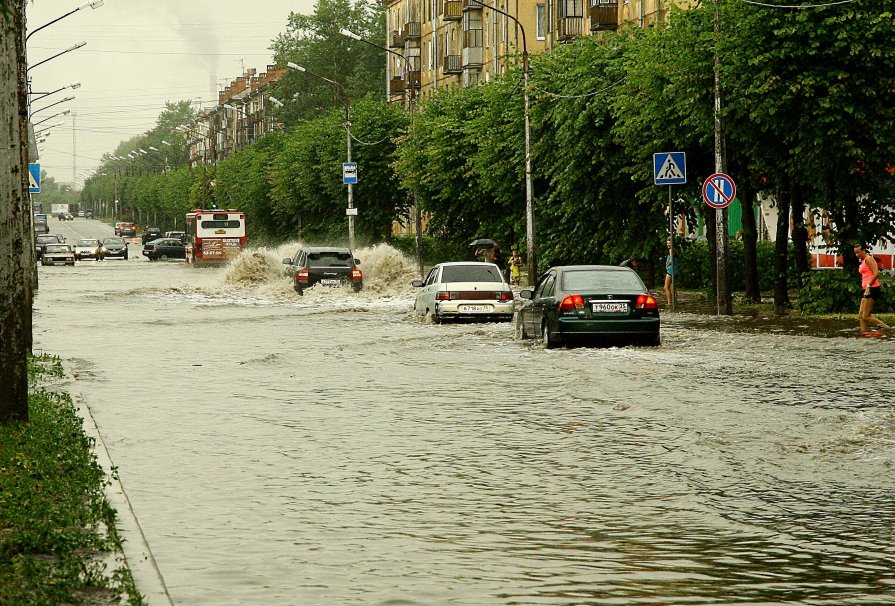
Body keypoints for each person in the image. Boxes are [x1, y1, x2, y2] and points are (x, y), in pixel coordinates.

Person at [853, 243, 890, 331]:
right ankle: (863, 333)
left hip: (872, 288)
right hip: (867, 289)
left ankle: (889, 329)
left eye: (858, 252)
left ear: (863, 250)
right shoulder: (862, 260)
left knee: (866, 316)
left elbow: (876, 273)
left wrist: (868, 286)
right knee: (861, 315)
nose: (857, 254)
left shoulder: (868, 259)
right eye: (855, 253)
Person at [664, 239, 680, 308]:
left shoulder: (671, 250)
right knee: (673, 287)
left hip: (671, 270)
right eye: (667, 243)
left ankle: (669, 303)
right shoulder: (676, 250)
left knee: (666, 287)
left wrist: (667, 265)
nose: (668, 245)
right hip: (675, 270)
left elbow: (671, 260)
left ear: (672, 244)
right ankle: (675, 302)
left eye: (670, 243)